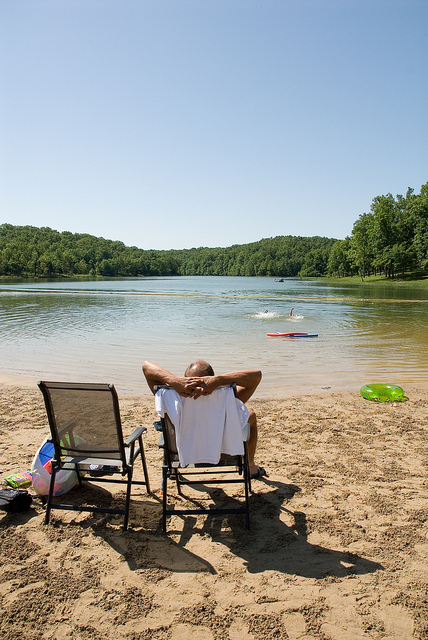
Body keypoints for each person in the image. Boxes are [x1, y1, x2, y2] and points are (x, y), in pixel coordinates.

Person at [142, 360, 266, 479]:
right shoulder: (226, 399)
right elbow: (256, 376)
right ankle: (250, 466)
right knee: (251, 416)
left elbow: (146, 367)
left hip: (184, 452)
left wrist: (175, 381)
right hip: (220, 450)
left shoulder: (173, 398)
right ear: (211, 380)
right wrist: (218, 380)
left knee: (169, 421)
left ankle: (173, 468)